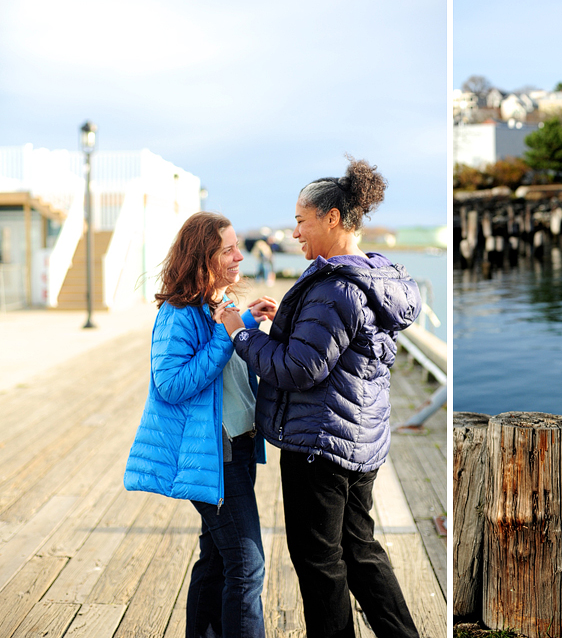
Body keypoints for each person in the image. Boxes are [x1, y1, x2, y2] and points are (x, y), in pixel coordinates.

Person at [218, 156, 422, 638]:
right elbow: (323, 353)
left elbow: (297, 368)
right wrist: (272, 327)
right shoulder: (375, 277)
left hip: (319, 446)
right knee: (361, 552)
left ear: (332, 218)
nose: (295, 234)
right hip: (359, 442)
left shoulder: (334, 288)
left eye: (301, 222)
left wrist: (238, 334)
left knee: (320, 565)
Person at [124, 212, 277, 638]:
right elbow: (170, 385)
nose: (238, 256)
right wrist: (225, 336)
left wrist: (243, 323)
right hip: (214, 455)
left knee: (215, 561)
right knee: (247, 567)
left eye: (236, 247)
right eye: (227, 249)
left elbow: (225, 358)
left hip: (240, 449)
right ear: (202, 257)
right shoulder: (178, 313)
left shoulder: (220, 304)